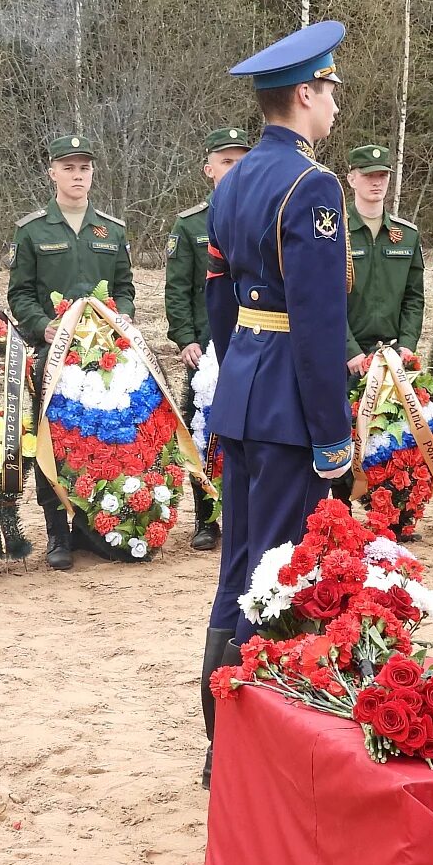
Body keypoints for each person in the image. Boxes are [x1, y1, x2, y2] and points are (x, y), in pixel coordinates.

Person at [200, 20, 351, 787]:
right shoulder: (312, 185)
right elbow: (322, 325)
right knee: (282, 570)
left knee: (239, 564)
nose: (333, 106)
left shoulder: (233, 182)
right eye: (328, 91)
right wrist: (335, 432)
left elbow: (219, 300)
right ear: (303, 93)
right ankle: (261, 744)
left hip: (246, 394)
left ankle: (218, 739)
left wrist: (239, 382)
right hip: (293, 403)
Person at [6, 134, 136, 571]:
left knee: (99, 438)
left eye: (84, 168)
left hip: (103, 357)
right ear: (53, 173)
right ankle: (57, 533)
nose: (77, 175)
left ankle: (90, 527)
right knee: (52, 442)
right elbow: (20, 294)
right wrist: (44, 328)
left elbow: (124, 289)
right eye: (69, 168)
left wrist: (119, 323)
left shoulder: (112, 231)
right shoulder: (32, 231)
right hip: (54, 356)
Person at [165, 125, 252, 550]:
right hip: (206, 352)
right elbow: (177, 289)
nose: (236, 168)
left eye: (242, 160)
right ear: (209, 169)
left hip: (255, 344)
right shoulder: (189, 226)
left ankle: (247, 514)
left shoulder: (262, 213)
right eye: (227, 161)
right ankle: (205, 519)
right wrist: (185, 340)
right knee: (204, 434)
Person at [344, 142, 425, 366]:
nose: (377, 182)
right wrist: (350, 351)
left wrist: (407, 344)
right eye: (368, 175)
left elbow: (414, 297)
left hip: (395, 355)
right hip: (348, 358)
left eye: (382, 175)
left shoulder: (407, 235)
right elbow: (325, 299)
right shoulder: (336, 233)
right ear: (352, 179)